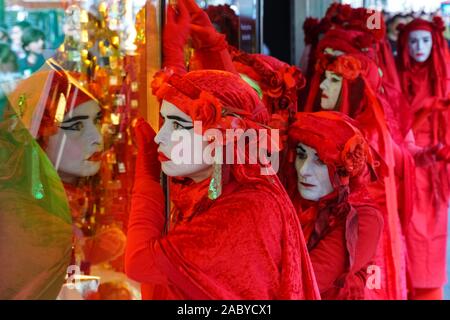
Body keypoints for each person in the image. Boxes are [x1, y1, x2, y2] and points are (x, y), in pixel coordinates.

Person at [125, 68, 320, 300]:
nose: (159, 137)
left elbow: (139, 263)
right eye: (164, 121)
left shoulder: (247, 207)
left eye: (177, 125)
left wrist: (147, 181)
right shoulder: (198, 191)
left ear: (224, 134)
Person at [304, 52, 409, 299]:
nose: (321, 86)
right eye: (325, 78)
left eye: (333, 80)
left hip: (360, 234)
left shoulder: (367, 135)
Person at [285, 111, 383, 299]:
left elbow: (305, 282)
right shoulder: (290, 199)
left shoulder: (363, 218)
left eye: (321, 161)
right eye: (301, 155)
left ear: (345, 168)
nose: (304, 170)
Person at [397, 17, 450, 300]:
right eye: (414, 41)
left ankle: (430, 291)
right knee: (410, 233)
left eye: (426, 40)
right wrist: (424, 110)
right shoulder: (396, 75)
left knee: (434, 233)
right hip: (408, 163)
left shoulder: (443, 75)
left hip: (437, 167)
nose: (419, 47)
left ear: (435, 42)